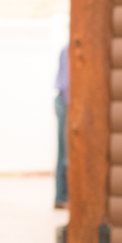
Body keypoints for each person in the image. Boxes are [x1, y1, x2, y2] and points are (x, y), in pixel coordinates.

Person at [55, 43, 69, 209]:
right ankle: (62, 196)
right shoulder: (69, 49)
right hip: (66, 102)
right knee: (65, 151)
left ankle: (62, 196)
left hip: (66, 102)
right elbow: (67, 84)